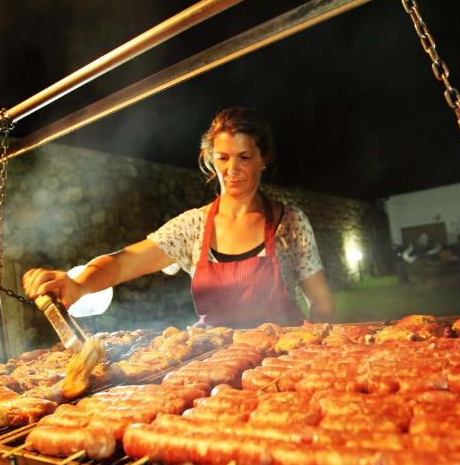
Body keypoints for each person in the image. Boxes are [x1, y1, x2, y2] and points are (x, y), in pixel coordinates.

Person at [22, 107, 335, 328]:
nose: (232, 170)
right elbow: (123, 262)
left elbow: (321, 302)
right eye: (223, 158)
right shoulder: (193, 226)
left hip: (282, 369)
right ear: (211, 160)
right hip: (217, 373)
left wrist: (315, 354)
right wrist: (78, 284)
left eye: (244, 157)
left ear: (263, 159)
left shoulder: (291, 223)